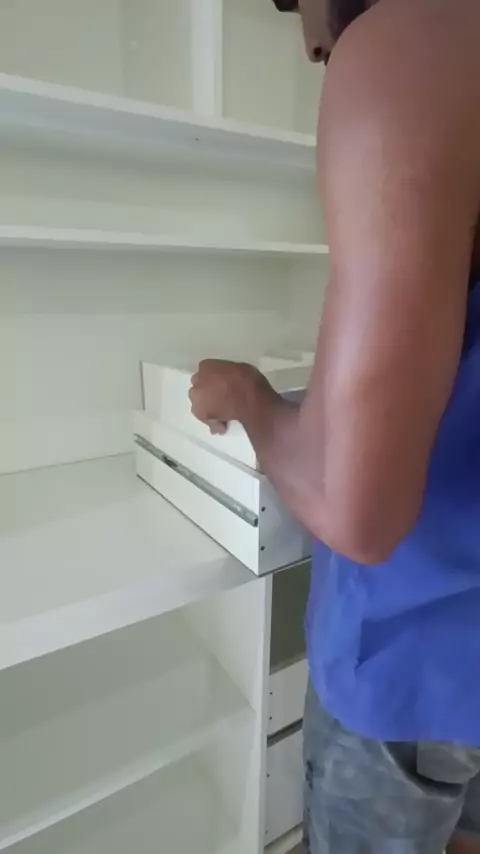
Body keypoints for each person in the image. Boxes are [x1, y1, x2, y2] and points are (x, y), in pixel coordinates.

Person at [189, 0, 480, 851]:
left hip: (411, 661)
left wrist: (251, 399)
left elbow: (358, 513)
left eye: (295, 1)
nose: (313, 40)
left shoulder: (409, 44)